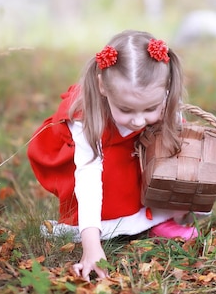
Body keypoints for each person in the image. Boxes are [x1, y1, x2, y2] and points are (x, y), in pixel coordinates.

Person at [27, 30, 198, 281]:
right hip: (100, 163)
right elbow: (88, 179)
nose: (139, 120)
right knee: (112, 176)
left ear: (166, 90)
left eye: (150, 108)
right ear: (102, 87)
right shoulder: (86, 117)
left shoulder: (163, 98)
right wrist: (91, 246)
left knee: (164, 160)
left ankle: (158, 219)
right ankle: (114, 224)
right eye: (126, 109)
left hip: (137, 155)